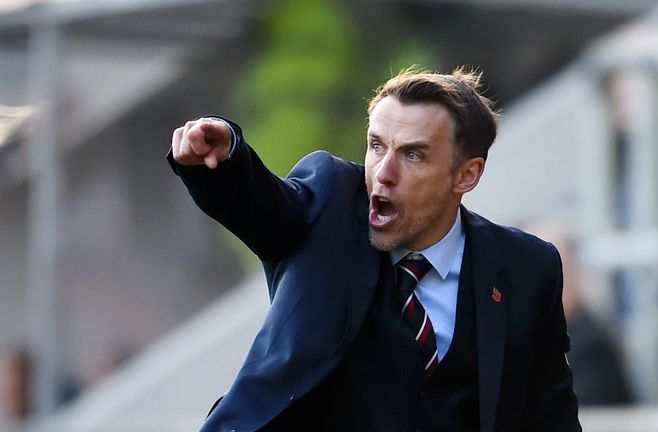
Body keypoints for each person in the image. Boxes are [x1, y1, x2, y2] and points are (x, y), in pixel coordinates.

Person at [169, 67, 581, 431]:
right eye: (377, 145)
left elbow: (551, 418)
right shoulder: (330, 201)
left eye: (413, 155)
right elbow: (265, 206)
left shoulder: (527, 268)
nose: (383, 174)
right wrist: (225, 160)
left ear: (466, 175)